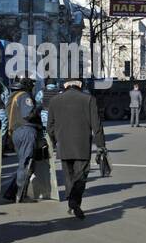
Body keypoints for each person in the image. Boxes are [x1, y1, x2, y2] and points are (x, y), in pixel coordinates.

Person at [46, 79, 107, 220]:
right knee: (80, 176)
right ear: (79, 84)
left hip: (64, 146)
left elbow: (50, 126)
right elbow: (97, 125)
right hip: (82, 145)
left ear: (65, 85)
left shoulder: (55, 100)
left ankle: (71, 202)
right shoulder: (89, 99)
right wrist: (101, 146)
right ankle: (74, 201)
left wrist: (54, 142)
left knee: (68, 176)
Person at [0, 75, 42, 203]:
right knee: (26, 164)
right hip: (26, 131)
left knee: (23, 163)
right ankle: (20, 194)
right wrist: (38, 108)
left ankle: (11, 192)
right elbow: (28, 114)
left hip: (16, 132)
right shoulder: (24, 96)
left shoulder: (11, 97)